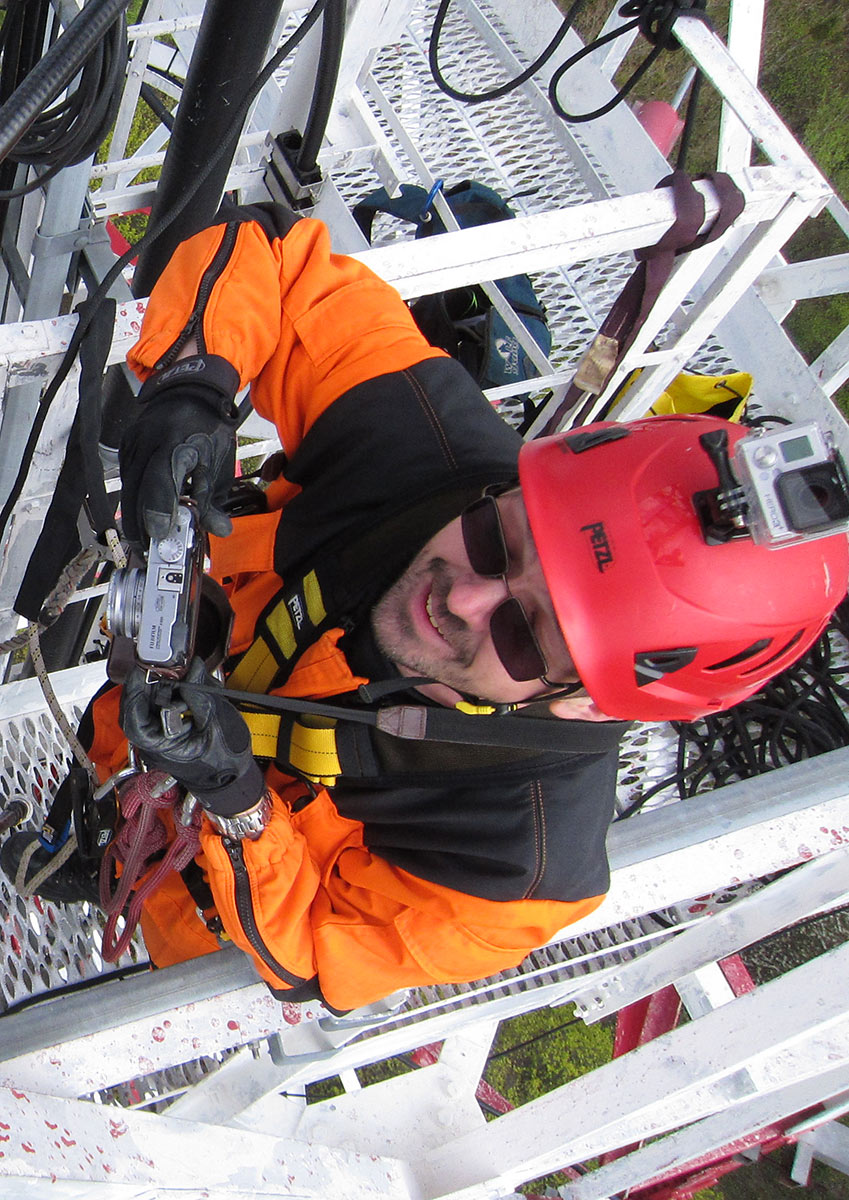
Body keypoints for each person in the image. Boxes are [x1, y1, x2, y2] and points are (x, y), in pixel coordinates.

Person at [3, 202, 846, 1013]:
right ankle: (69, 844)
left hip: (197, 893)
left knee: (141, 885)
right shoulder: (430, 454)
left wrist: (235, 800)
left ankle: (95, 869)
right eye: (496, 539)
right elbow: (276, 257)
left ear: (589, 703)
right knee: (95, 790)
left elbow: (319, 947)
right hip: (155, 704)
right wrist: (194, 387)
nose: (462, 597)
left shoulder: (515, 866)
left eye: (523, 633)